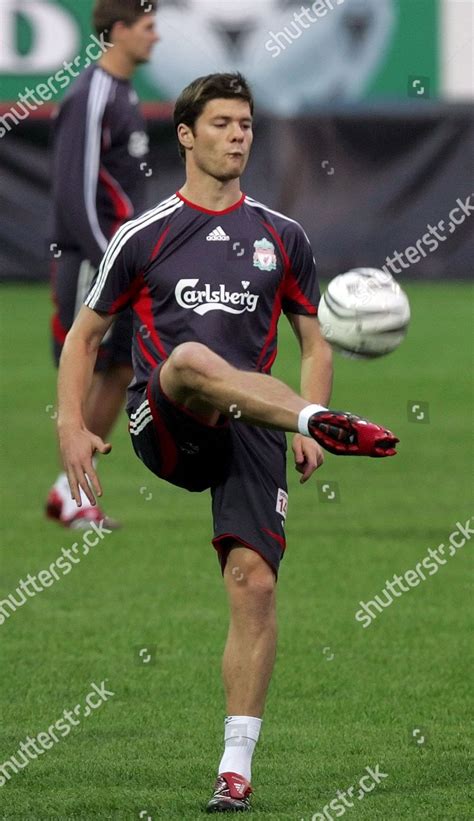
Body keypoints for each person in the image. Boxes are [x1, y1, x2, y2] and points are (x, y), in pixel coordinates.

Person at [56, 73, 398, 812]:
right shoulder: (142, 235)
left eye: (245, 122)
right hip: (165, 418)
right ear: (186, 134)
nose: (239, 134)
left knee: (256, 583)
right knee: (189, 361)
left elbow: (315, 338)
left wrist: (312, 400)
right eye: (222, 123)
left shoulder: (284, 235)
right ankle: (309, 422)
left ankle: (234, 767)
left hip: (252, 425)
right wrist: (72, 425)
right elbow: (84, 339)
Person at [47, 0, 159, 528]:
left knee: (121, 367)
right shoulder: (91, 93)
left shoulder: (125, 92)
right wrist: (108, 259)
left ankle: (68, 492)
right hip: (93, 260)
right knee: (87, 365)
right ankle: (72, 496)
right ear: (117, 31)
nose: (156, 37)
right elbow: (74, 192)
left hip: (120, 263)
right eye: (147, 26)